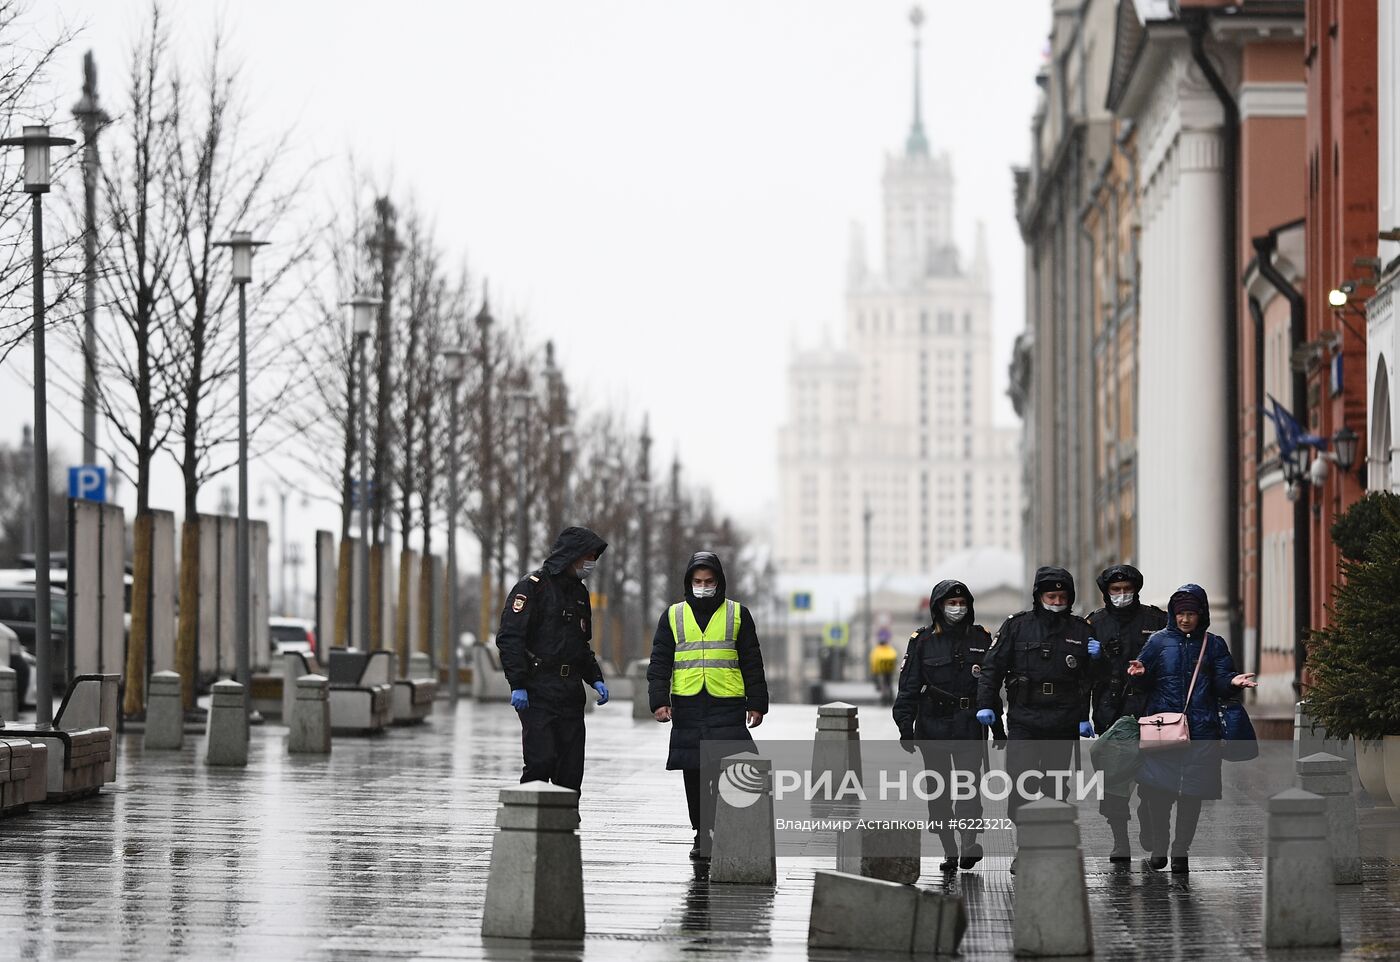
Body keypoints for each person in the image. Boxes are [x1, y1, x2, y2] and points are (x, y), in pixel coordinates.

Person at [1126, 583, 1256, 874]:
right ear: (1173, 613)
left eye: (1191, 614)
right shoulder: (1158, 642)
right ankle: (1160, 848)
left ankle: (1181, 851)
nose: (1185, 619)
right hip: (1164, 730)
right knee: (1158, 792)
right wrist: (1138, 675)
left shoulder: (1214, 644)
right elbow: (1143, 680)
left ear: (1202, 614)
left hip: (1202, 730)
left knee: (1191, 795)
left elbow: (1222, 681)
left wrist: (1232, 682)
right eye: (1180, 613)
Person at [648, 551, 769, 860]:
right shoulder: (673, 615)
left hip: (727, 702)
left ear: (719, 582)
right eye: (697, 581)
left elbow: (752, 662)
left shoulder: (737, 614)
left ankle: (731, 829)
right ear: (689, 582)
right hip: (688, 703)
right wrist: (659, 701)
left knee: (731, 766)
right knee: (694, 770)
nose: (703, 586)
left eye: (709, 581)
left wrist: (757, 704)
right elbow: (660, 662)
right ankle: (702, 833)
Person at [976, 566, 1101, 846]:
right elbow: (992, 668)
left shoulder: (1081, 630)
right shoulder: (1017, 626)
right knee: (1022, 781)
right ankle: (1025, 843)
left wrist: (1097, 662)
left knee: (1056, 786)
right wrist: (987, 704)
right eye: (1051, 596)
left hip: (1063, 718)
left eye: (1062, 597)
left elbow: (1088, 680)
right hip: (1025, 717)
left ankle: (1049, 845)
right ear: (1039, 596)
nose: (1057, 602)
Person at [496, 526, 610, 794]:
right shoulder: (532, 588)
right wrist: (518, 684)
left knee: (570, 770)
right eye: (588, 557)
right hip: (538, 690)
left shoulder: (580, 593)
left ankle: (564, 829)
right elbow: (510, 638)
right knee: (541, 761)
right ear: (573, 556)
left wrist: (594, 677)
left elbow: (581, 644)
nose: (591, 563)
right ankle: (528, 827)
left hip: (570, 691)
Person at [892, 580, 992, 873]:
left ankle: (969, 843)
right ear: (939, 607)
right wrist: (904, 725)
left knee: (968, 787)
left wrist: (997, 725)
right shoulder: (922, 641)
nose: (957, 609)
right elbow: (908, 685)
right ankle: (950, 848)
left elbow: (990, 683)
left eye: (962, 604)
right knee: (939, 790)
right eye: (952, 604)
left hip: (968, 724)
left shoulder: (981, 637)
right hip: (932, 725)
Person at [1086, 563, 1168, 862]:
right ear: (1106, 593)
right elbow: (1085, 674)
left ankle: (1149, 819)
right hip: (1112, 709)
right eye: (1115, 590)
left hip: (1150, 707)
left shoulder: (1157, 619)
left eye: (1127, 590)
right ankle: (1120, 840)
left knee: (1153, 777)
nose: (1122, 595)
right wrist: (1091, 659)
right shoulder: (1094, 623)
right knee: (1114, 779)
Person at [870, 633, 898, 705]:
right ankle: (891, 698)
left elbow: (874, 660)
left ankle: (884, 699)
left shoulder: (877, 650)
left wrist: (874, 671)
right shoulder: (889, 648)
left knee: (883, 684)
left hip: (881, 669)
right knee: (889, 684)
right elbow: (895, 658)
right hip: (890, 669)